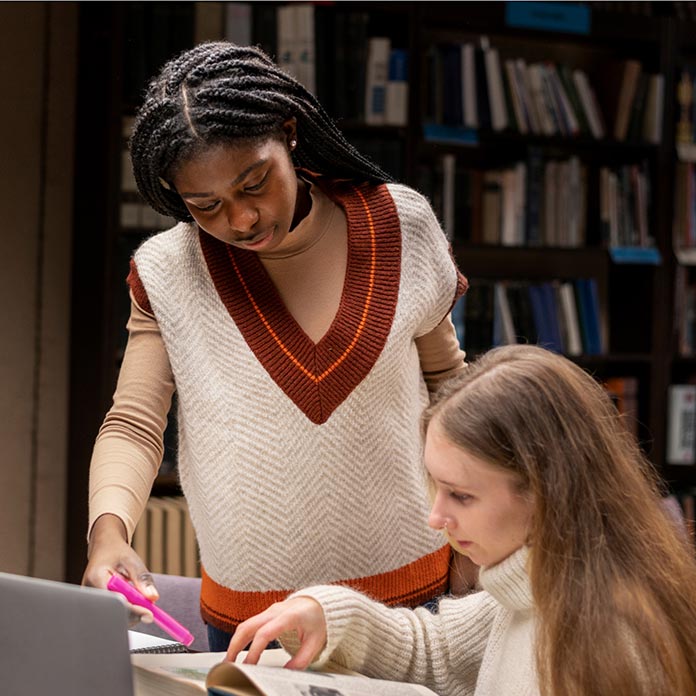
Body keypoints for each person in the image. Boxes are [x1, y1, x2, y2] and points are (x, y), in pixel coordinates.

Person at [81, 41, 472, 650]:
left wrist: (474, 536)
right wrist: (107, 534)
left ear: (289, 135)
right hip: (245, 627)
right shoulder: (168, 271)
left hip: (411, 603)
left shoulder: (402, 227)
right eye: (204, 205)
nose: (240, 220)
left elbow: (451, 390)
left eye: (254, 183)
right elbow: (133, 423)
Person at [225, 344, 696, 696]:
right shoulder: (541, 581)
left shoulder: (615, 640)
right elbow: (439, 652)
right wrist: (327, 614)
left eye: (462, 496)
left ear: (545, 490)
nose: (436, 518)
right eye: (437, 486)